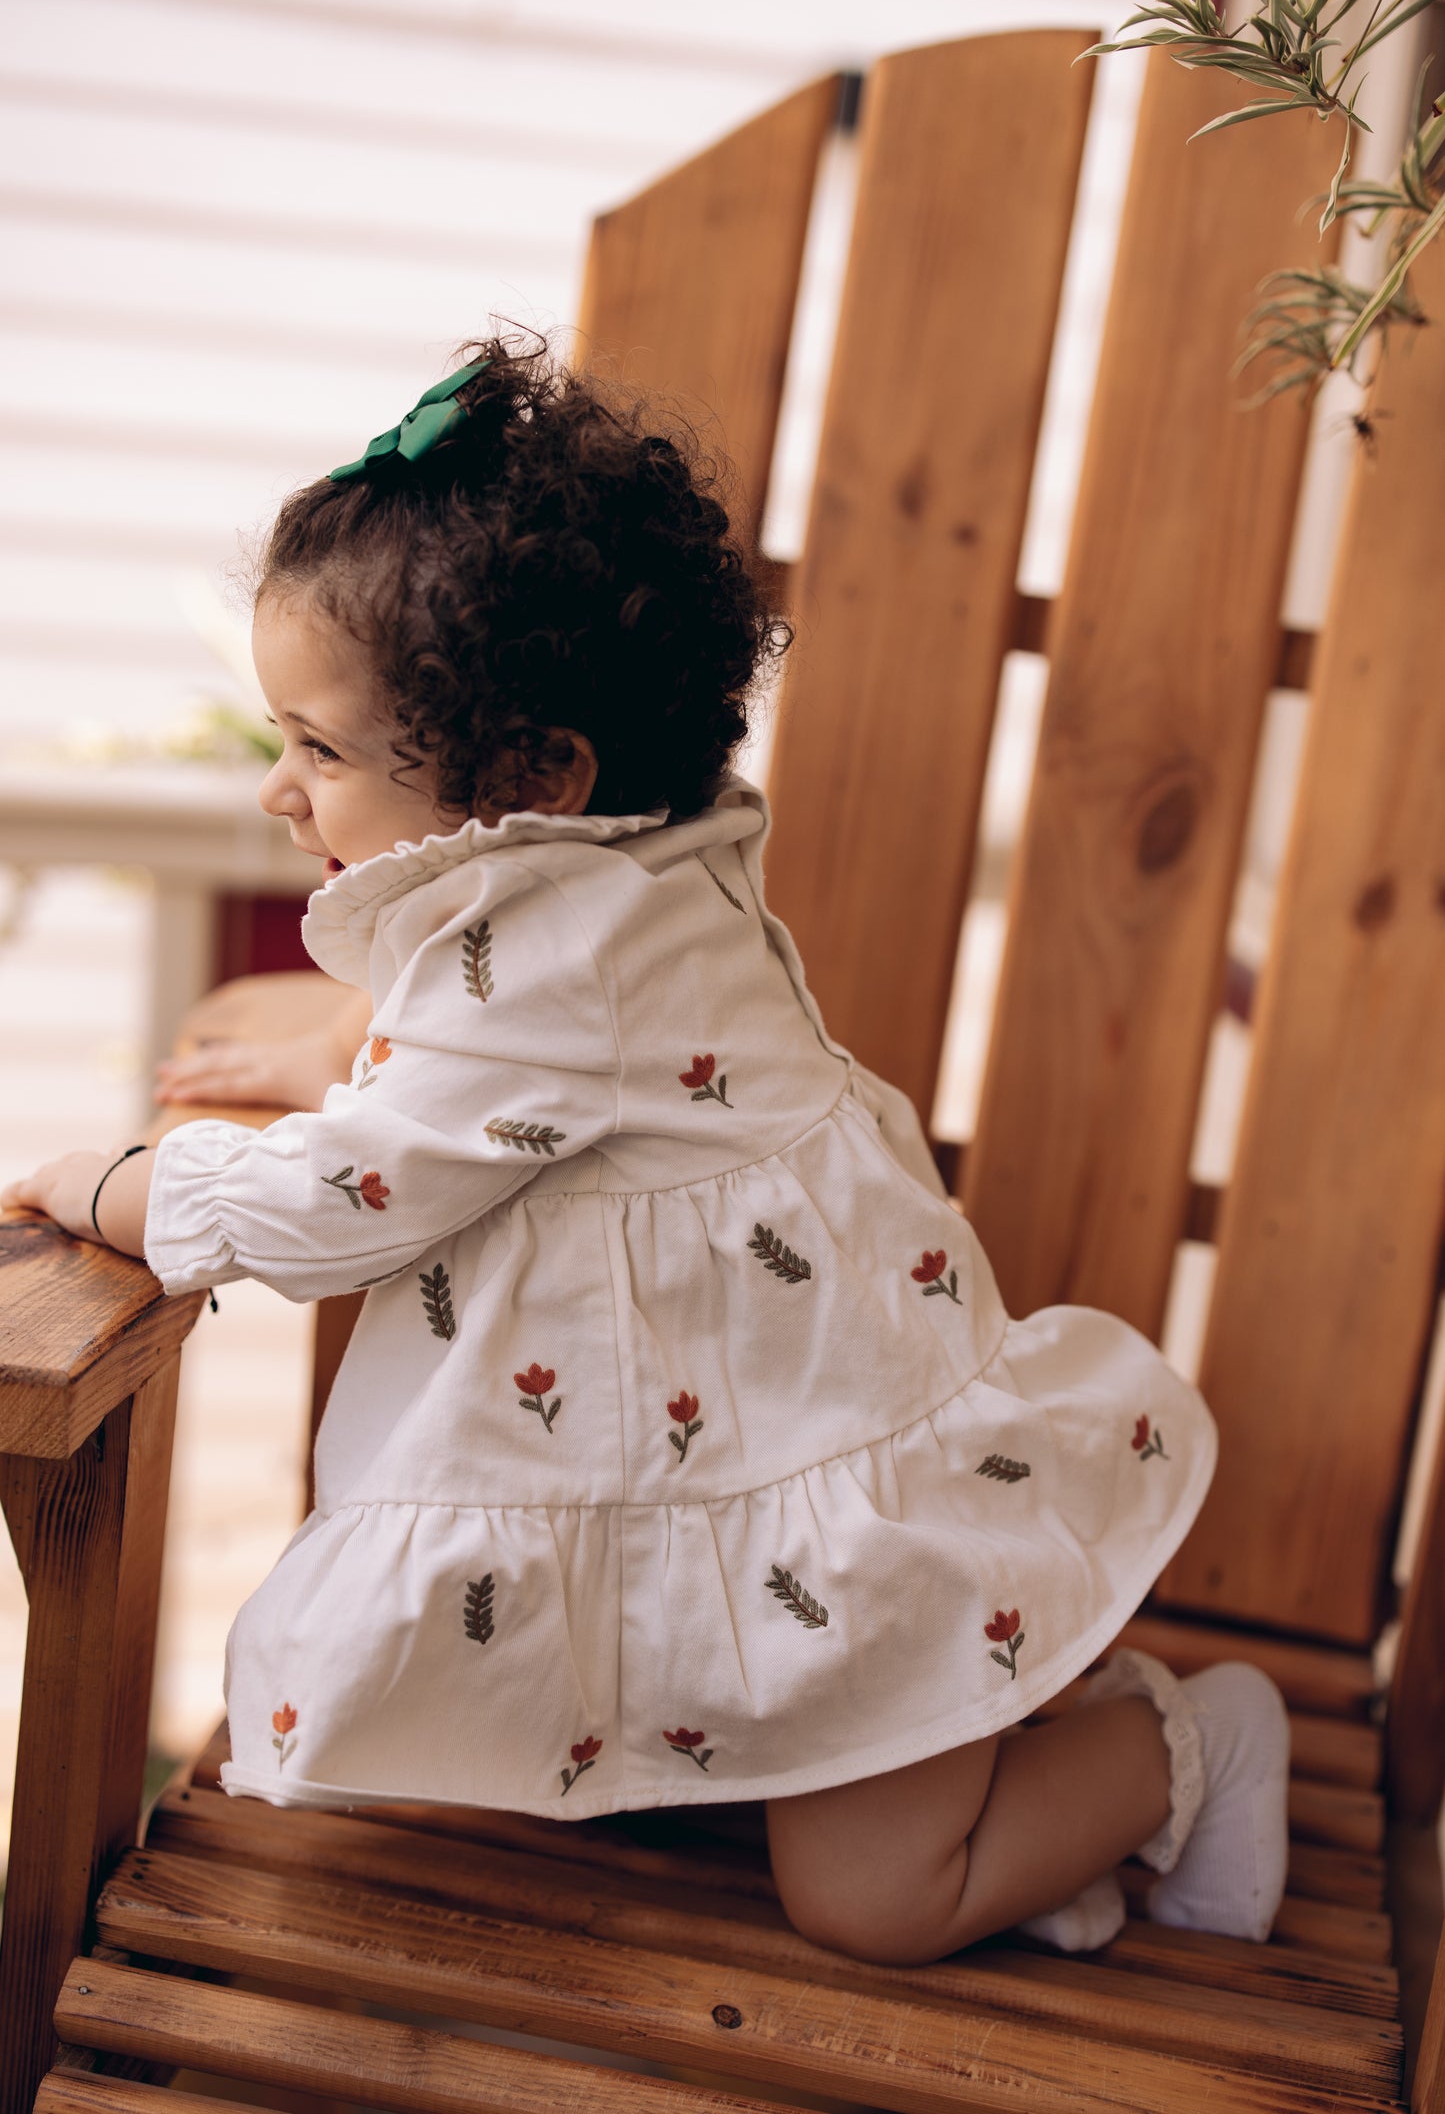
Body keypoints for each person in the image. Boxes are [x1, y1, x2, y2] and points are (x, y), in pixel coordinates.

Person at [2, 336, 1290, 1968]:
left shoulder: (557, 959)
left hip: (804, 1470)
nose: (279, 787)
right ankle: (1023, 1736)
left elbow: (345, 1208)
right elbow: (506, 1022)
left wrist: (114, 1186)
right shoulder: (622, 875)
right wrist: (344, 1041)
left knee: (875, 1901)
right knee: (735, 1782)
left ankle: (1185, 1747)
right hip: (738, 1451)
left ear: (537, 779)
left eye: (319, 751)